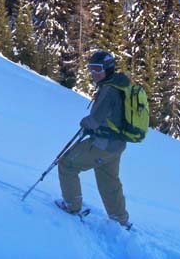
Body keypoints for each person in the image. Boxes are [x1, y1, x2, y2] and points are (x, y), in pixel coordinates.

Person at [56, 50, 131, 228]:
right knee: (109, 180)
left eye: (97, 68)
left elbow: (95, 120)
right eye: (91, 68)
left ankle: (72, 205)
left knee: (67, 164)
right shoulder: (121, 86)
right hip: (117, 144)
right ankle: (119, 219)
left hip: (103, 143)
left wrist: (85, 122)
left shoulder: (109, 90)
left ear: (108, 68)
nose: (93, 73)